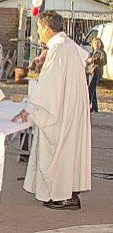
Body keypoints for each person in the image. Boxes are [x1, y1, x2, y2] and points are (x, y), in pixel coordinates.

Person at [11, 11, 91, 210]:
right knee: (69, 151)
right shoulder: (69, 45)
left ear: (47, 28)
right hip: (70, 107)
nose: (38, 32)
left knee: (59, 151)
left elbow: (49, 87)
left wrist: (30, 110)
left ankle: (62, 195)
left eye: (39, 28)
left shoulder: (58, 50)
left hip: (59, 110)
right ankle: (69, 193)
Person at [86, 37, 107, 113]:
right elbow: (87, 60)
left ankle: (88, 105)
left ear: (101, 44)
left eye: (98, 43)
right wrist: (91, 60)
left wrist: (96, 60)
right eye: (95, 43)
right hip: (90, 73)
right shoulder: (91, 53)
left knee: (91, 89)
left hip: (97, 73)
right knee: (93, 90)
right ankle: (94, 107)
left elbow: (104, 62)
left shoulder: (102, 52)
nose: (97, 44)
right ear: (93, 45)